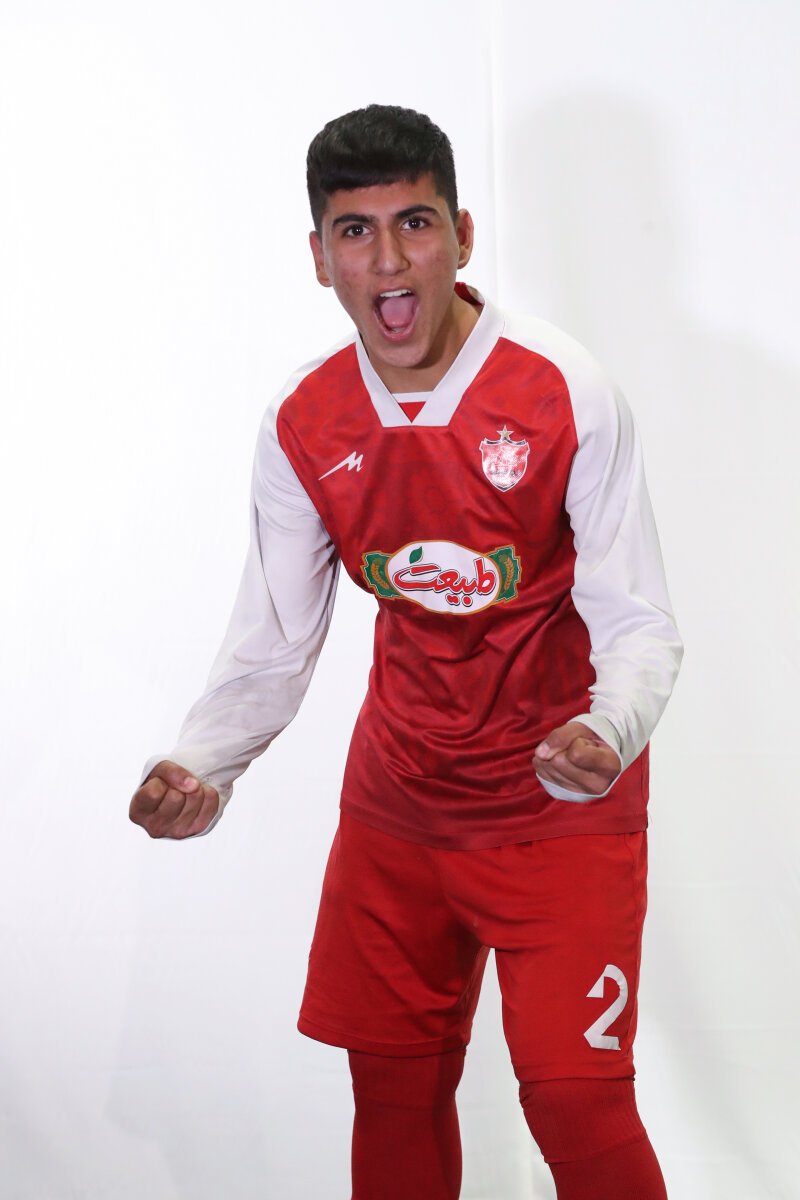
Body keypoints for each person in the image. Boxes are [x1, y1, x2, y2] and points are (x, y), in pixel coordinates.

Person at [130, 104, 683, 1199]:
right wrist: (201, 764)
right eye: (355, 231)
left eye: (414, 223)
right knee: (390, 1091)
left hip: (555, 805)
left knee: (576, 1103)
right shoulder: (305, 420)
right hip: (400, 807)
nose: (388, 259)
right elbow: (274, 638)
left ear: (461, 236)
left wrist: (607, 728)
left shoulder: (562, 388)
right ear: (319, 257)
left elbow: (638, 619)